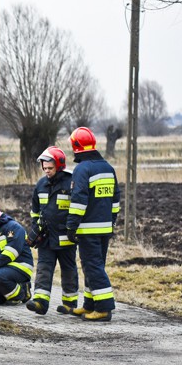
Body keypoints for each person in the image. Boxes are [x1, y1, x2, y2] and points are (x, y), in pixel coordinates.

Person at [66, 127, 121, 322]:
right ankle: (90, 304)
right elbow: (115, 198)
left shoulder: (82, 169)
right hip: (105, 227)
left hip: (88, 229)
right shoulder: (107, 167)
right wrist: (111, 221)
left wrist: (71, 226)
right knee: (95, 266)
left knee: (92, 267)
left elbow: (79, 200)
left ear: (75, 146)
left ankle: (104, 308)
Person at [25, 146, 80, 315]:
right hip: (46, 237)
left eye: (50, 168)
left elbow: (78, 208)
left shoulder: (71, 183)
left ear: (59, 166)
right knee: (43, 268)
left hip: (66, 237)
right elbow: (35, 211)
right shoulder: (41, 184)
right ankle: (40, 302)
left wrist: (73, 229)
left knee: (68, 269)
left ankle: (70, 304)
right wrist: (36, 227)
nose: (47, 171)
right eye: (45, 168)